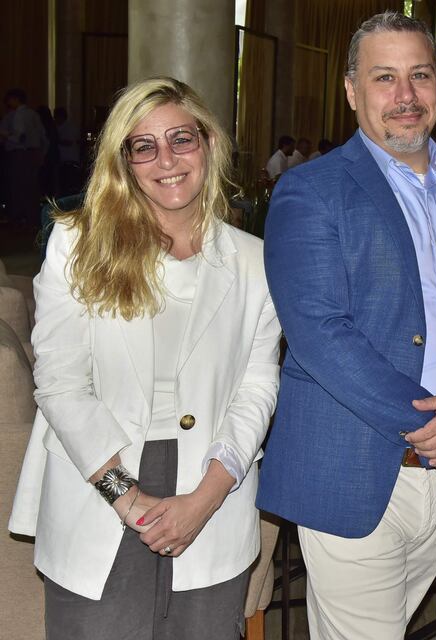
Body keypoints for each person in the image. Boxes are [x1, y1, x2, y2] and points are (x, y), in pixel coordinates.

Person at [257, 11, 436, 639]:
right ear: (351, 91)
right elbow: (321, 334)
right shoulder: (309, 192)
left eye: (420, 76)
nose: (405, 96)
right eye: (384, 78)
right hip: (352, 468)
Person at [9, 76, 282, 640]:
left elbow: (258, 386)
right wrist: (127, 500)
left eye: (182, 138)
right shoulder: (77, 243)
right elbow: (60, 382)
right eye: (144, 146)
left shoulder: (257, 262)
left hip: (213, 486)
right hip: (101, 480)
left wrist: (207, 498)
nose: (167, 159)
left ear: (208, 144)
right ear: (124, 161)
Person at [0, 88, 48, 226]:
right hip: (34, 153)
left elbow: (19, 137)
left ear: (15, 99)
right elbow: (43, 137)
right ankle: (33, 217)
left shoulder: (18, 115)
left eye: (10, 99)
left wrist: (5, 135)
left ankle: (19, 217)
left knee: (18, 186)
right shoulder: (33, 114)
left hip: (20, 154)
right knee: (32, 186)